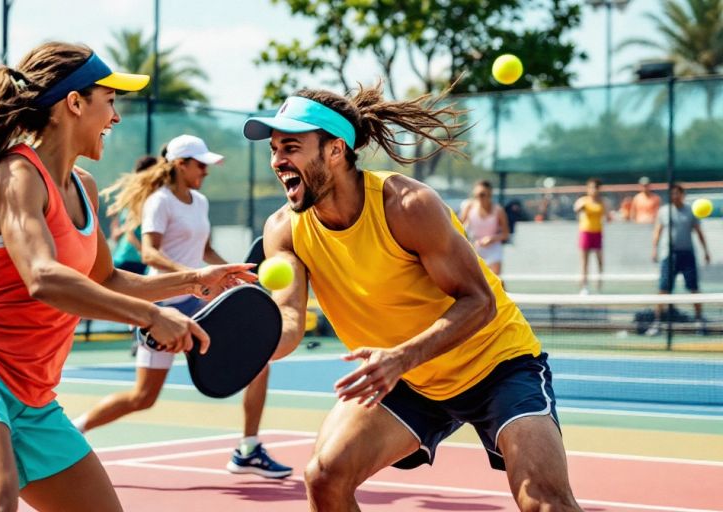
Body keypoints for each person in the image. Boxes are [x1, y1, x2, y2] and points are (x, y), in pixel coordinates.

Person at [0, 43, 256, 511]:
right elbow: (43, 277)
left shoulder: (84, 187)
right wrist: (152, 316)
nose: (115, 119)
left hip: (31, 391)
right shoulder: (15, 173)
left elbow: (106, 280)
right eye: (109, 101)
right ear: (75, 103)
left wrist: (197, 280)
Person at [244, 85, 580, 511]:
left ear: (334, 150)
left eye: (290, 146)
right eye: (274, 150)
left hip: (496, 365)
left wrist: (401, 358)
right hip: (409, 379)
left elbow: (480, 301)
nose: (277, 161)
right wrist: (233, 341)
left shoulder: (406, 205)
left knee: (545, 501)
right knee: (325, 477)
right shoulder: (284, 231)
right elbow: (288, 323)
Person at [73, 134, 292, 479]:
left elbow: (204, 250)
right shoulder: (159, 202)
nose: (206, 170)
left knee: (258, 360)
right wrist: (193, 276)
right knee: (143, 397)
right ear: (180, 165)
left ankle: (248, 448)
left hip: (199, 300)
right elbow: (149, 254)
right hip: (161, 303)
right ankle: (76, 431)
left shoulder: (200, 202)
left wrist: (233, 272)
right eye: (200, 164)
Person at [647, 183, 711, 336]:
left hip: (687, 254)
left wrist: (706, 251)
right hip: (669, 256)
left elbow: (698, 231)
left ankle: (699, 321)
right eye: (672, 194)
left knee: (694, 289)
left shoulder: (690, 211)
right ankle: (657, 323)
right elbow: (657, 231)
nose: (675, 196)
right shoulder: (664, 211)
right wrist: (654, 249)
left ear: (683, 195)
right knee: (663, 289)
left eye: (678, 193)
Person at [109, 155, 157, 275]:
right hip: (130, 261)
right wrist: (145, 253)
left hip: (132, 260)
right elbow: (127, 232)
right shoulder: (139, 200)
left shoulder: (142, 199)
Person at [458, 180, 509, 276]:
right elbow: (458, 227)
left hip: (493, 248)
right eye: (476, 195)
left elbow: (505, 234)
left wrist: (491, 239)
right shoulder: (469, 207)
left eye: (482, 195)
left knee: (495, 280)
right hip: (475, 247)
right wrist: (467, 241)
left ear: (489, 195)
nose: (479, 198)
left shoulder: (498, 210)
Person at [574, 178, 610, 294]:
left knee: (600, 261)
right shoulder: (583, 201)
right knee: (584, 262)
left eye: (595, 187)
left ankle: (599, 286)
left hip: (597, 233)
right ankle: (584, 287)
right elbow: (576, 208)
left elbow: (608, 216)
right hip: (586, 232)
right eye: (590, 187)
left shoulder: (602, 202)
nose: (593, 190)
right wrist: (580, 207)